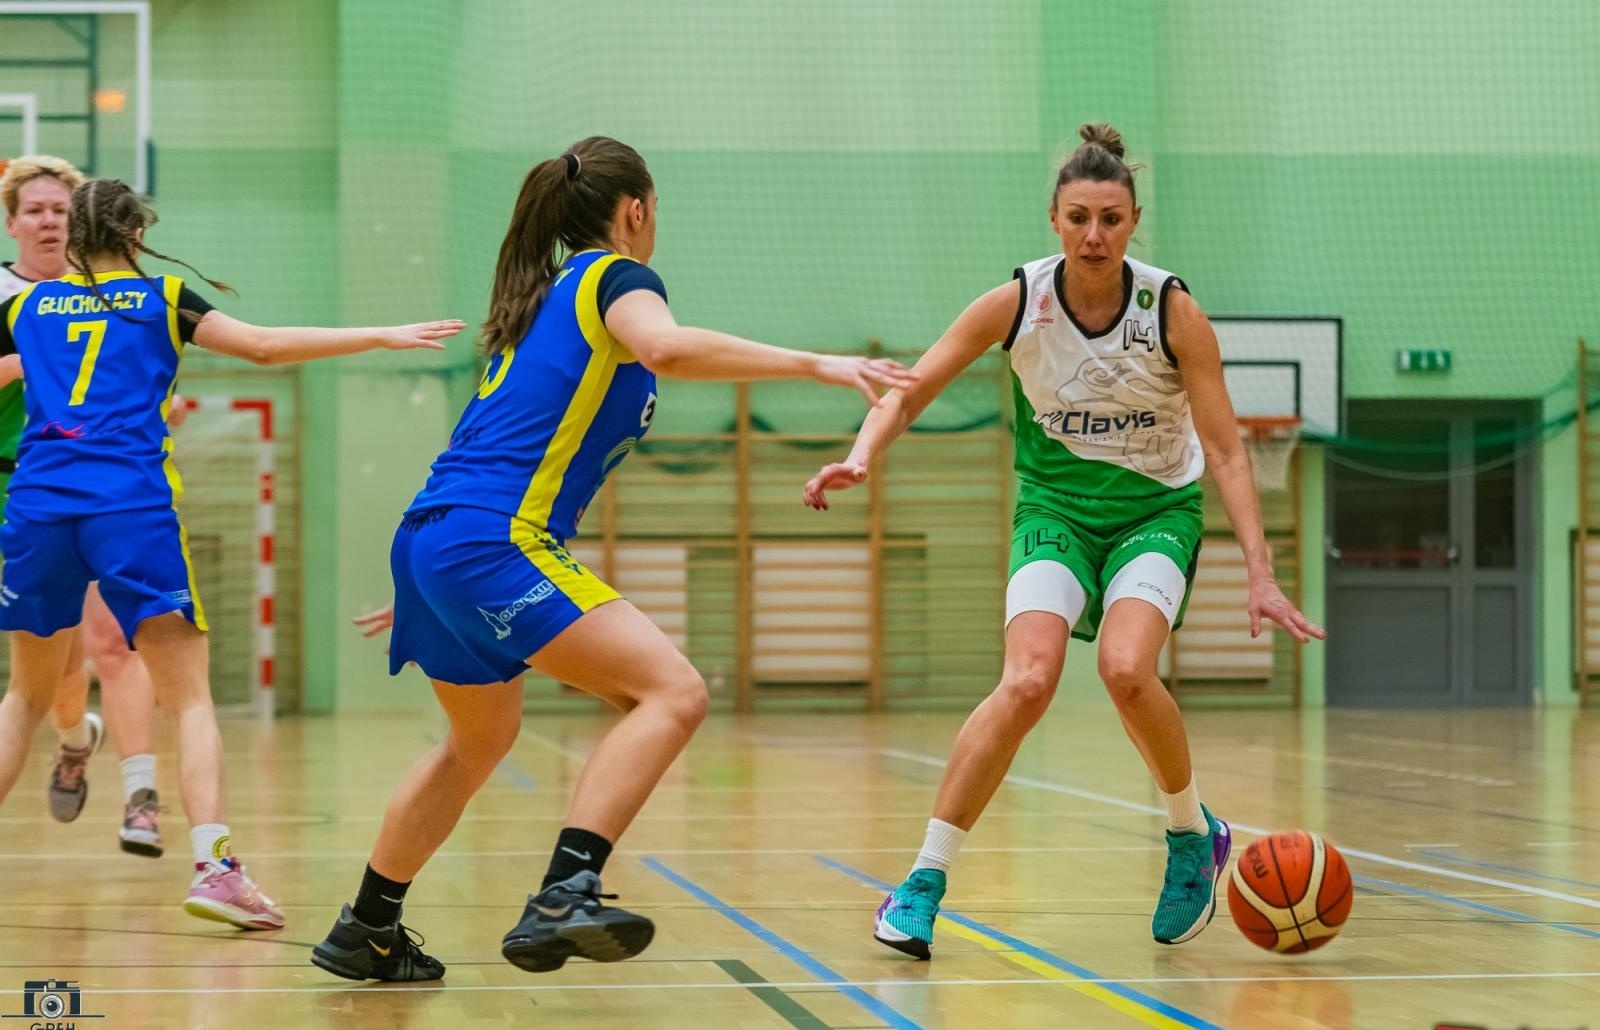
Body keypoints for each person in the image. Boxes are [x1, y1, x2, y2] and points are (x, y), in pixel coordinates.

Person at [310, 135, 916, 982]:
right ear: (636, 210)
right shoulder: (612, 279)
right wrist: (817, 361)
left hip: (440, 535)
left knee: (475, 744)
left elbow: (487, 441)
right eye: (656, 207)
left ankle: (365, 926)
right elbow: (665, 348)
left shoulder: (537, 303)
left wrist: (428, 575)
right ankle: (566, 890)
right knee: (671, 690)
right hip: (490, 539)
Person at [804, 124, 1327, 958]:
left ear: (1133, 221)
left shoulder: (1172, 311)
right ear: (1053, 218)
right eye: (1079, 216)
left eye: (1111, 219)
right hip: (1054, 510)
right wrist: (861, 454)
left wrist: (1261, 572)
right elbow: (912, 386)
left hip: (1154, 510)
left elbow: (1226, 448)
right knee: (1027, 680)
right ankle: (923, 881)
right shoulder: (1018, 302)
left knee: (1125, 668)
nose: (1094, 234)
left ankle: (1191, 834)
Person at [0, 177, 464, 927]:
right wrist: (379, 333)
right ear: (136, 233)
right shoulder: (163, 294)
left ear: (73, 238)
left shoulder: (22, 304)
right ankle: (215, 868)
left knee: (23, 696)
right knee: (188, 699)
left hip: (36, 505)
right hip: (129, 507)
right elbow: (265, 346)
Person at [1, 155, 170, 852]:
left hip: (101, 486)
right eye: (35, 209)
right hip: (20, 488)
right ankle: (76, 741)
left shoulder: (115, 295)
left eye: (60, 211)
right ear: (12, 222)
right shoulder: (15, 301)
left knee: (114, 643)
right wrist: (27, 364)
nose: (48, 221)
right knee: (56, 673)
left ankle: (141, 796)